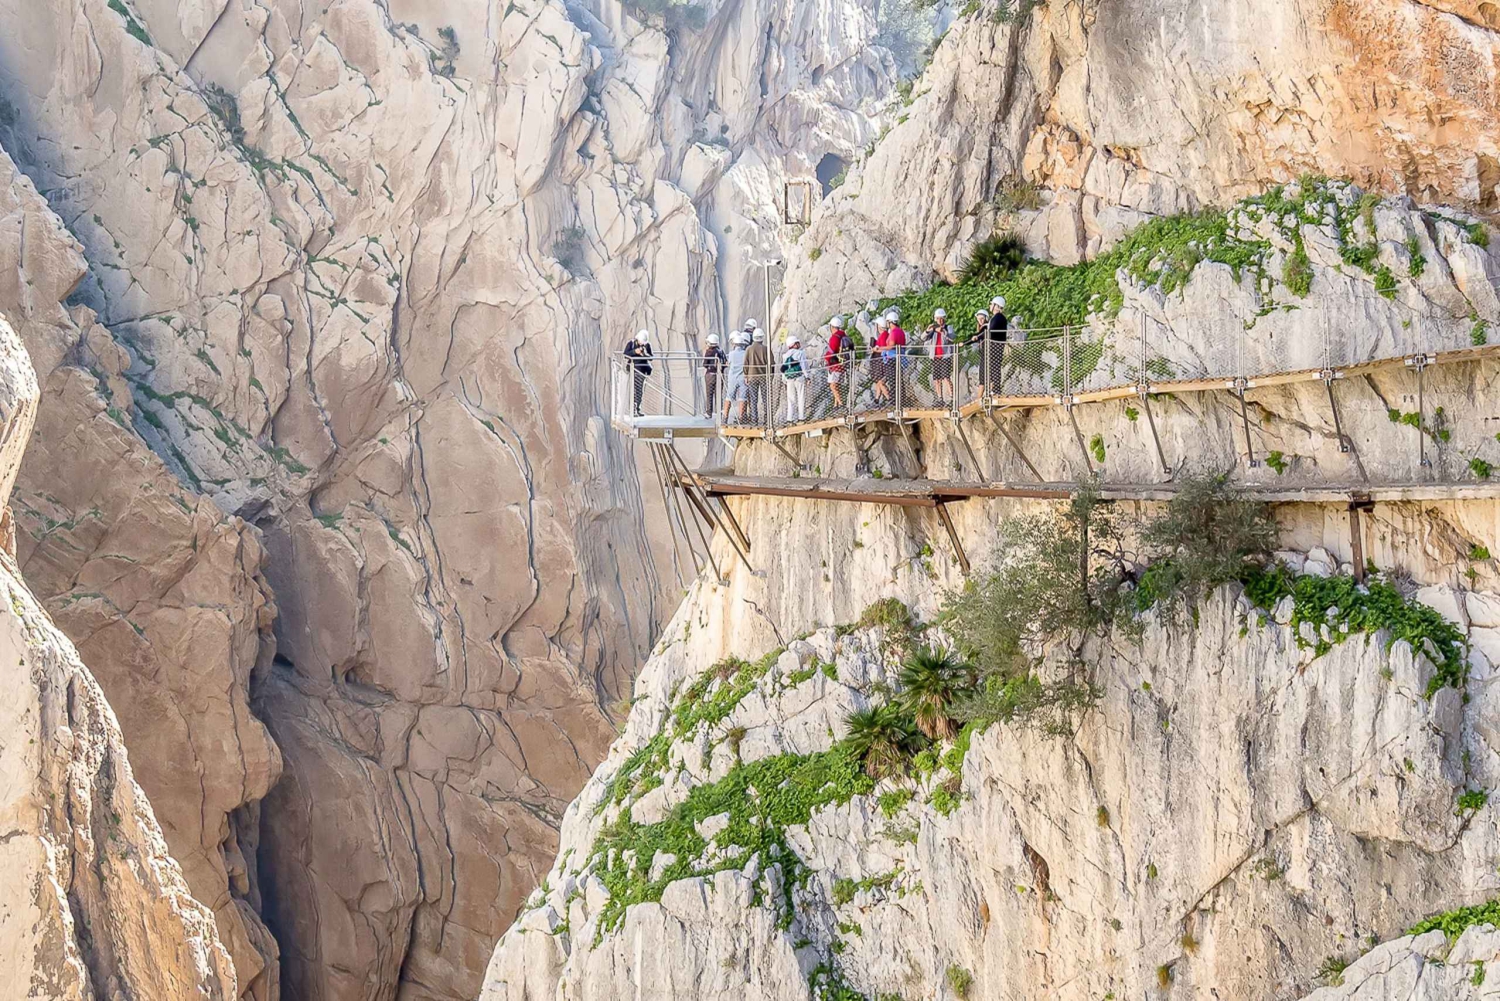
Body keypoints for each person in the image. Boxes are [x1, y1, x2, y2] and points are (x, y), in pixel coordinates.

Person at [924, 308, 954, 408]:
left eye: (941, 319)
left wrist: (942, 332)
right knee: (936, 379)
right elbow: (922, 337)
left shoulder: (948, 328)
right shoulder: (933, 329)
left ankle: (952, 398)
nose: (940, 321)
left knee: (946, 377)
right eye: (938, 319)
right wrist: (928, 330)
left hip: (945, 356)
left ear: (944, 319)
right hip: (935, 357)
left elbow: (950, 339)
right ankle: (940, 398)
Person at [623, 328, 653, 416]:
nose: (641, 344)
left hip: (642, 370)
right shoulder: (631, 344)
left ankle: (637, 409)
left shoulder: (647, 346)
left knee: (639, 391)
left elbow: (651, 357)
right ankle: (633, 410)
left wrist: (644, 354)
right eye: (641, 342)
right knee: (634, 390)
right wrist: (634, 352)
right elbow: (625, 354)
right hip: (633, 369)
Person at [824, 314, 851, 410]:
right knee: (837, 383)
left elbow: (831, 351)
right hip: (843, 362)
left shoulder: (834, 338)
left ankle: (841, 404)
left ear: (831, 327)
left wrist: (826, 359)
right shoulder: (844, 335)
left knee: (833, 386)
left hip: (835, 364)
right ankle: (836, 405)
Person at [985, 295, 1009, 396]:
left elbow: (992, 331)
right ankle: (994, 388)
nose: (990, 305)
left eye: (992, 304)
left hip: (995, 344)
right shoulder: (997, 318)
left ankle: (995, 389)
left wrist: (984, 335)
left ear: (996, 306)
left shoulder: (998, 317)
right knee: (994, 366)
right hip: (995, 344)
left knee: (994, 366)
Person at [745, 328, 770, 424]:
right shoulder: (766, 349)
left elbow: (745, 364)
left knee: (753, 399)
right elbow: (771, 363)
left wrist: (746, 376)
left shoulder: (749, 349)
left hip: (752, 377)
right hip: (764, 377)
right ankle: (767, 420)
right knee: (766, 399)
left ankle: (754, 420)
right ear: (762, 337)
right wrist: (770, 376)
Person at [884, 309, 908, 406]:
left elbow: (891, 346)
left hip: (892, 358)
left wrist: (880, 348)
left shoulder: (893, 332)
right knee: (899, 379)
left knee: (892, 380)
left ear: (890, 322)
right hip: (899, 357)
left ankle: (895, 401)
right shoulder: (901, 331)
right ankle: (902, 399)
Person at [781, 334, 807, 422]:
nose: (799, 344)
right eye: (797, 343)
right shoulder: (800, 353)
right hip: (799, 377)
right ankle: (801, 417)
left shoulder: (785, 356)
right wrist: (808, 377)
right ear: (794, 344)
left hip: (789, 379)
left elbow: (783, 369)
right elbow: (804, 366)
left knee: (791, 399)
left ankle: (789, 418)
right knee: (801, 396)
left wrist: (784, 380)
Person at [724, 332, 749, 423]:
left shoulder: (731, 354)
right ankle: (741, 417)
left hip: (732, 378)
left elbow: (728, 363)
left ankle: (725, 417)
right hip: (742, 377)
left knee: (729, 397)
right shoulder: (746, 354)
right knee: (742, 398)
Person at [703, 333, 724, 417]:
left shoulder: (709, 352)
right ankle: (719, 412)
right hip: (720, 375)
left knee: (710, 394)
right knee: (718, 394)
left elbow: (705, 364)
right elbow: (725, 363)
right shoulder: (720, 351)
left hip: (710, 375)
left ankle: (709, 413)